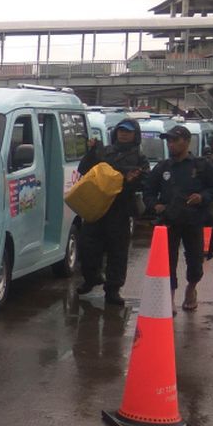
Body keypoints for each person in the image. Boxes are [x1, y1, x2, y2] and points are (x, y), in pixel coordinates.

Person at [143, 124, 213, 312]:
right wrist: (155, 205)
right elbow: (148, 192)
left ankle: (191, 289)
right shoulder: (162, 167)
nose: (171, 144)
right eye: (169, 141)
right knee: (168, 262)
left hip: (194, 221)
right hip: (169, 222)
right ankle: (170, 297)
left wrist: (202, 197)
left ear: (187, 142)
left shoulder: (202, 165)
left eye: (175, 140)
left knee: (195, 261)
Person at [75, 118, 150, 306]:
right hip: (97, 207)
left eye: (128, 131)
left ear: (135, 135)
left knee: (118, 251)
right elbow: (84, 169)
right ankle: (91, 278)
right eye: (121, 130)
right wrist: (92, 152)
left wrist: (131, 178)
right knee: (87, 246)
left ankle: (113, 289)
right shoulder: (105, 151)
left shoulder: (140, 158)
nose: (123, 134)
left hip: (120, 209)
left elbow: (144, 179)